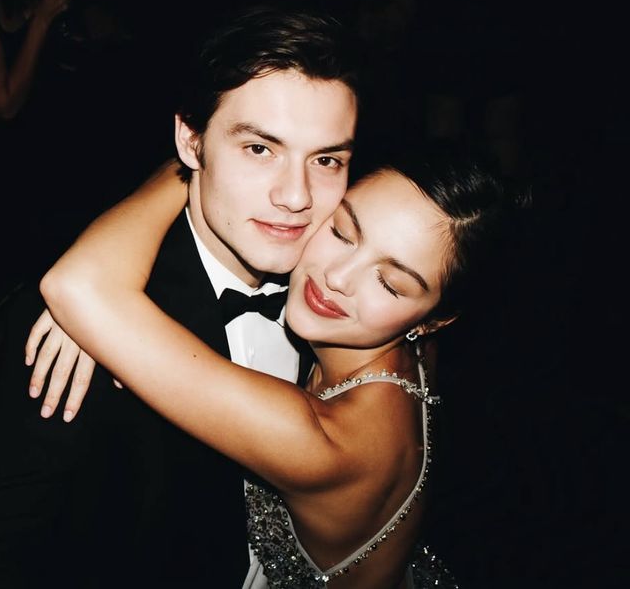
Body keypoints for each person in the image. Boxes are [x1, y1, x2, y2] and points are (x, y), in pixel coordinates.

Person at [0, 6, 360, 588]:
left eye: (327, 159)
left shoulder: (348, 282)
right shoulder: (91, 324)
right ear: (190, 140)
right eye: (259, 149)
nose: (296, 197)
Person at [36, 141, 521, 588]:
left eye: (390, 283)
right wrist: (197, 158)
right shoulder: (410, 344)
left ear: (435, 320)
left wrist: (192, 167)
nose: (337, 277)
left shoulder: (327, 443)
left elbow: (79, 290)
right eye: (343, 231)